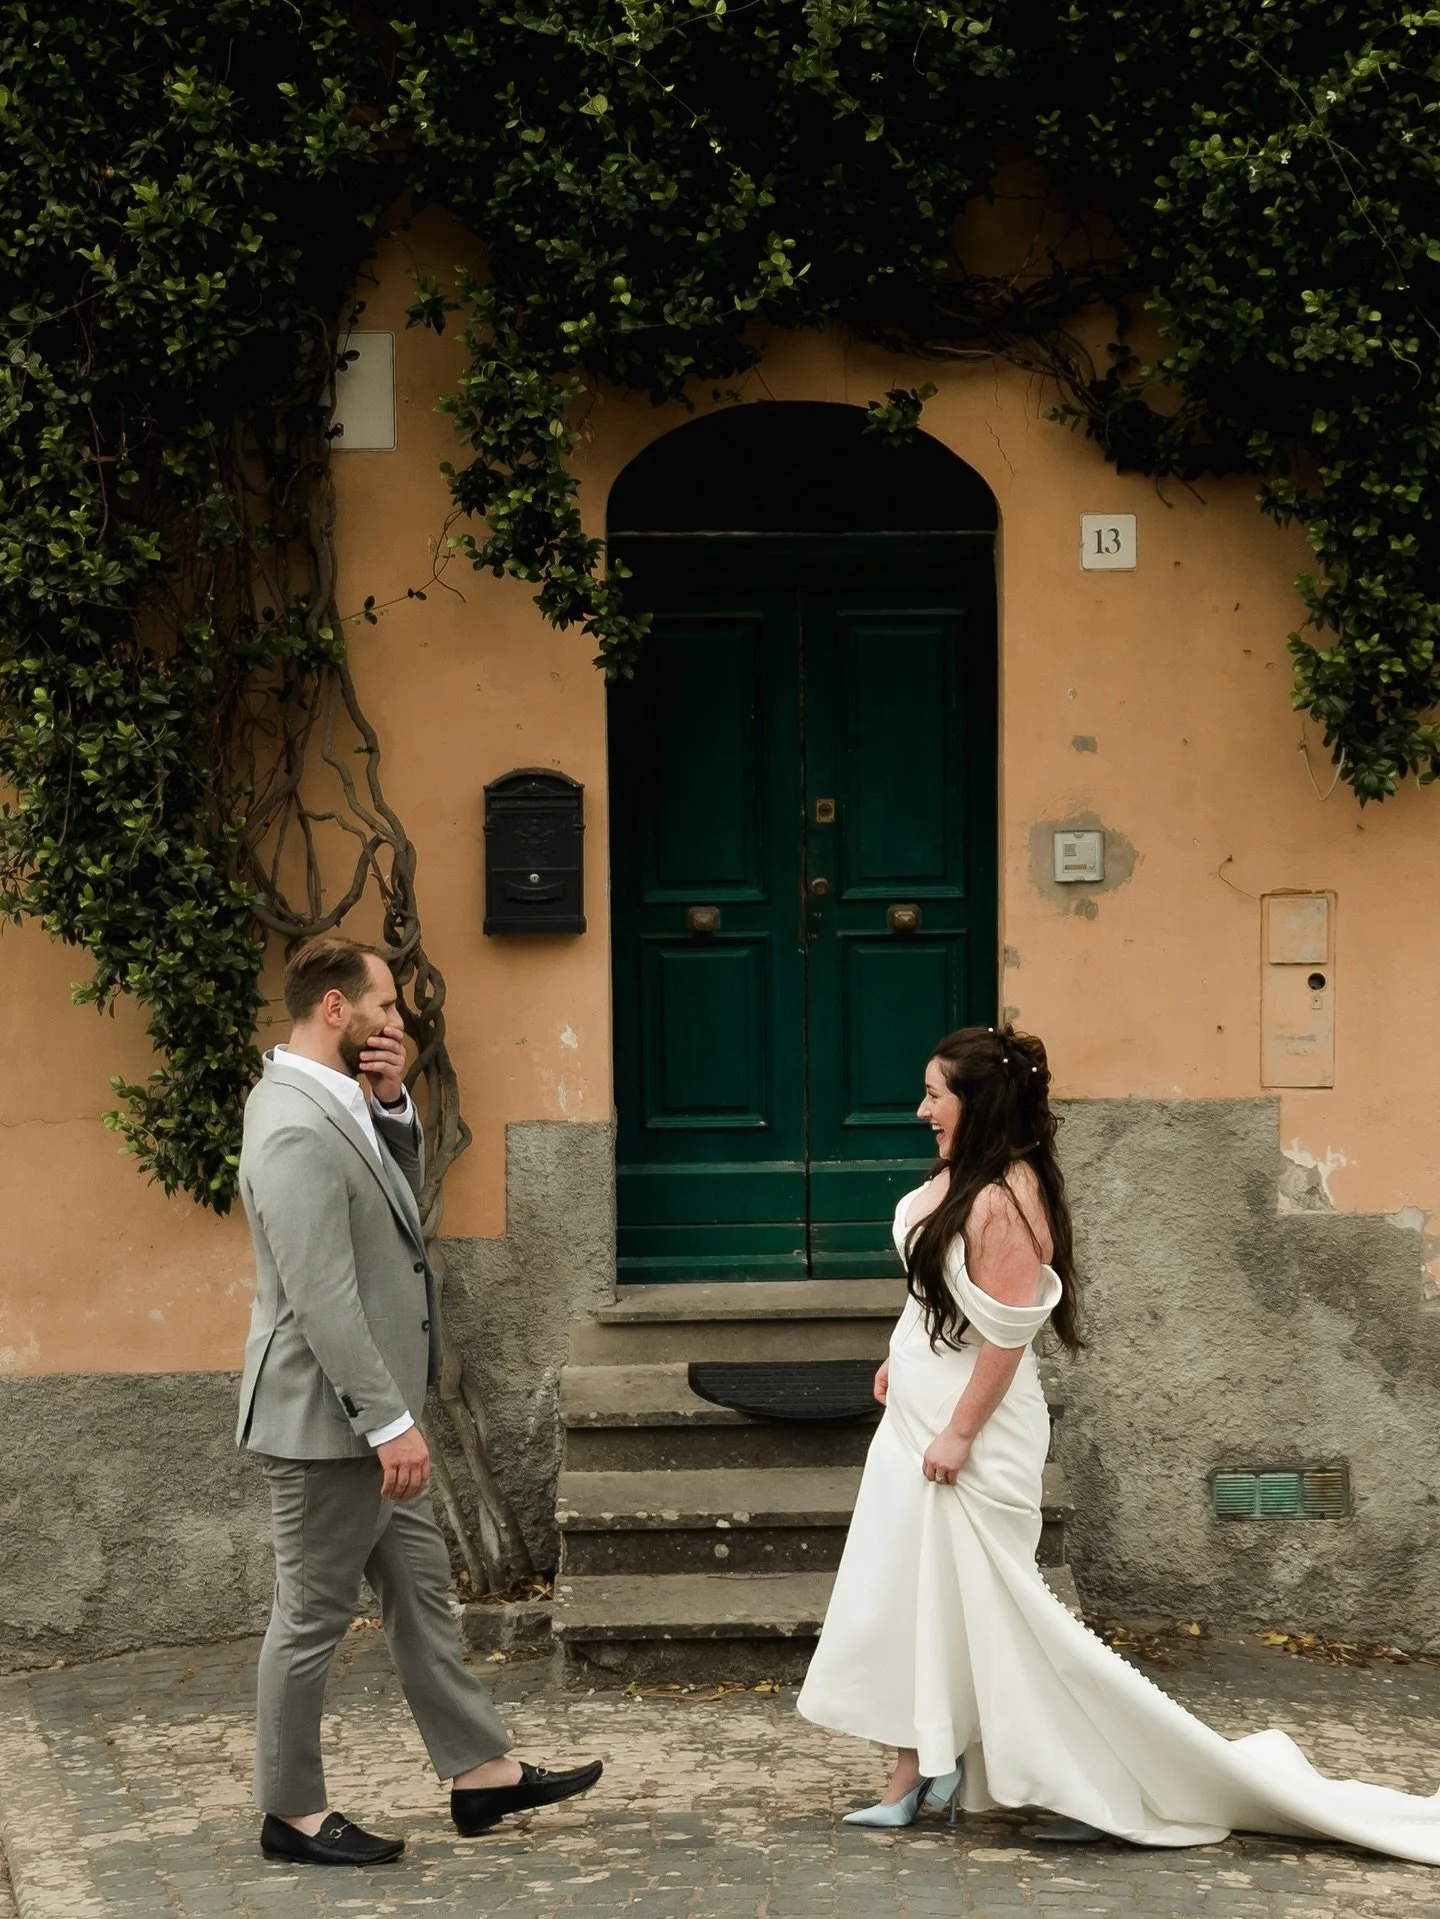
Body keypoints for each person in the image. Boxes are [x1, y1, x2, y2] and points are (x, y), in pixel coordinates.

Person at [797, 1024, 1440, 1862]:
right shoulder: (960, 1178)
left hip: (971, 1429)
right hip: (914, 1413)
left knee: (1003, 1613)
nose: (922, 1109)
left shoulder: (1008, 1197)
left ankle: (1091, 1780)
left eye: (935, 1094)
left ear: (977, 1101)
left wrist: (959, 1431)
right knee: (920, 1595)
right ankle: (915, 1767)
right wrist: (896, 1354)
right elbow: (936, 1296)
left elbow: (1007, 1340)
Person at [236, 934, 601, 1867]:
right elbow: (321, 1293)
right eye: (385, 1004)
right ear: (334, 1009)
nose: (397, 1019)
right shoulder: (287, 1120)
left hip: (369, 1417)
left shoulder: (341, 1100)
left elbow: (387, 1204)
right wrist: (388, 1419)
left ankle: (479, 1771)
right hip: (332, 1425)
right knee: (311, 1617)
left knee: (422, 1594)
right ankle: (293, 1813)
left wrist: (394, 1102)